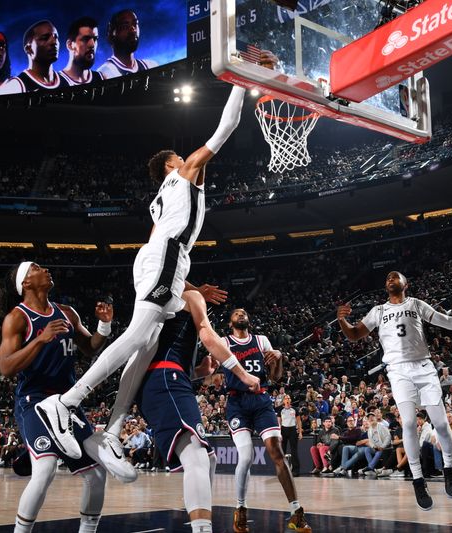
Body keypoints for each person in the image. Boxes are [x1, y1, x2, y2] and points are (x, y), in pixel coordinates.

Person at [35, 63, 274, 473]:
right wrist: (245, 80)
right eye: (181, 157)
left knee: (144, 346)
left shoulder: (158, 200)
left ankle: (111, 431)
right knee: (137, 336)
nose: (188, 159)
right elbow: (227, 126)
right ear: (171, 164)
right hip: (167, 254)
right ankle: (66, 402)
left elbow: (155, 245)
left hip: (159, 256)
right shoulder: (183, 172)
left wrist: (185, 282)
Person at [337, 271, 452, 510]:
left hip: (423, 367)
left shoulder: (416, 304)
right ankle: (418, 480)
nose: (391, 278)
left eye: (396, 276)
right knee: (409, 424)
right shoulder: (378, 311)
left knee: (441, 424)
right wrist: (342, 320)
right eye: (388, 277)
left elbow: (447, 320)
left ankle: (449, 469)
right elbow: (354, 334)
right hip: (398, 371)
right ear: (385, 285)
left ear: (405, 284)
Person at [0, 261, 111, 533]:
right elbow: (6, 367)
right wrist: (40, 339)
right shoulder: (17, 317)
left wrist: (104, 326)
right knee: (46, 468)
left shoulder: (67, 313)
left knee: (97, 474)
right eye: (37, 267)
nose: (45, 269)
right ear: (25, 282)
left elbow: (89, 347)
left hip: (67, 404)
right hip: (34, 402)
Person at [136, 290, 260, 533]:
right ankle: (202, 528)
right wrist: (242, 373)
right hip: (166, 378)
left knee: (209, 458)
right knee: (196, 456)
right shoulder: (190, 296)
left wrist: (200, 371)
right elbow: (210, 338)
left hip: (168, 377)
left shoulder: (157, 302)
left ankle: (199, 520)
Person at [224, 308, 312, 533]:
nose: (241, 314)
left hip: (261, 399)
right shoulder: (224, 342)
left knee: (277, 452)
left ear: (249, 320)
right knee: (246, 456)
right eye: (237, 313)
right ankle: (240, 509)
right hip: (237, 403)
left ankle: (296, 512)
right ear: (230, 321)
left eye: (244, 312)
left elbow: (276, 376)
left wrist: (279, 358)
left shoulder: (261, 340)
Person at [7, 20, 69, 92]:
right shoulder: (16, 86)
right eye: (45, 38)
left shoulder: (65, 82)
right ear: (28, 48)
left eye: (56, 37)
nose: (54, 42)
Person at [97, 10, 157, 79]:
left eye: (135, 24)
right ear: (112, 34)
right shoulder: (104, 73)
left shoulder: (150, 66)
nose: (133, 29)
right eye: (125, 25)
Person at [59, 17, 105, 86]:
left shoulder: (101, 78)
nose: (92, 44)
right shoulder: (59, 82)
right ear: (70, 45)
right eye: (85, 39)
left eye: (95, 39)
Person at [278, 395, 302, 476]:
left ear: (290, 400)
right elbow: (279, 423)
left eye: (288, 398)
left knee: (294, 451)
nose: (287, 399)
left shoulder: (295, 409)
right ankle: (282, 470)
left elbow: (299, 421)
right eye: (286, 398)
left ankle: (296, 470)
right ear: (283, 401)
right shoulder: (281, 410)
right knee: (282, 451)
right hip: (283, 430)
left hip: (292, 430)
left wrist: (300, 432)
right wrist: (279, 433)